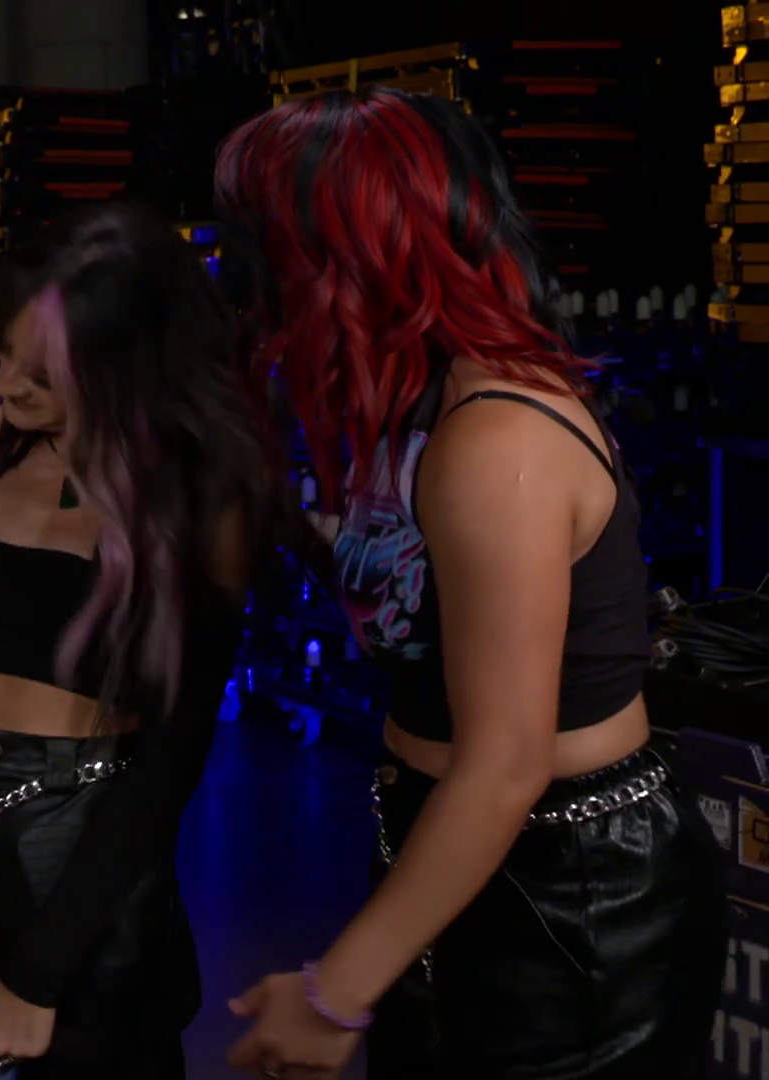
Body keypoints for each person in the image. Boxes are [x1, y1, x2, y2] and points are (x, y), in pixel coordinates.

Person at [214, 87, 726, 1079]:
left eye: (267, 240)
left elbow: (504, 763)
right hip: (451, 853)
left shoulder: (498, 439)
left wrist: (333, 992)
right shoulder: (422, 407)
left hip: (576, 897)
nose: (251, 275)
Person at [0, 202, 268, 1078]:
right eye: (1, 353)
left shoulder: (199, 497)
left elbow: (173, 755)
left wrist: (40, 974)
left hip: (87, 854)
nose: (7, 385)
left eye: (42, 372)